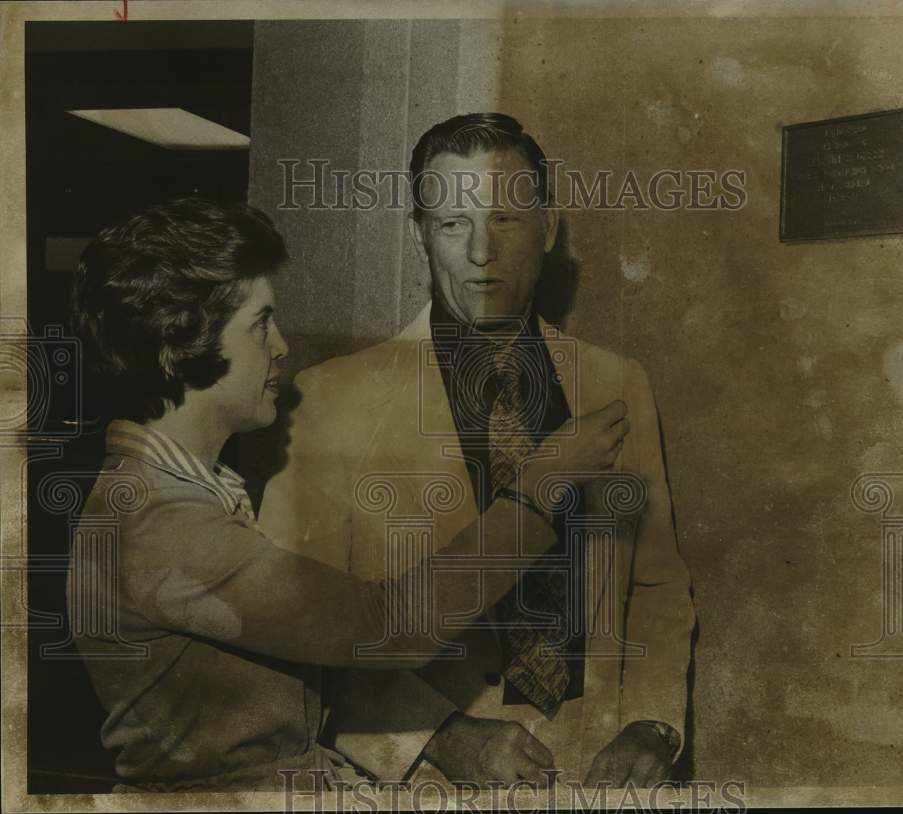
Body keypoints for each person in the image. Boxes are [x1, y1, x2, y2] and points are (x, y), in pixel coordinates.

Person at [68, 197, 628, 792]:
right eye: (261, 322)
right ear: (179, 343)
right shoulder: (160, 523)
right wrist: (538, 490)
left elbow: (303, 656)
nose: (281, 345)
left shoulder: (178, 493)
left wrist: (445, 732)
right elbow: (386, 625)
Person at [258, 113, 695, 788]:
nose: (482, 253)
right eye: (453, 223)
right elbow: (292, 628)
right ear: (419, 236)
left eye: (507, 220)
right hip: (423, 782)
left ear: (548, 230)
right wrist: (439, 735)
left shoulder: (617, 384)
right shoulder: (328, 401)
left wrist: (650, 723)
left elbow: (658, 585)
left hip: (600, 774)